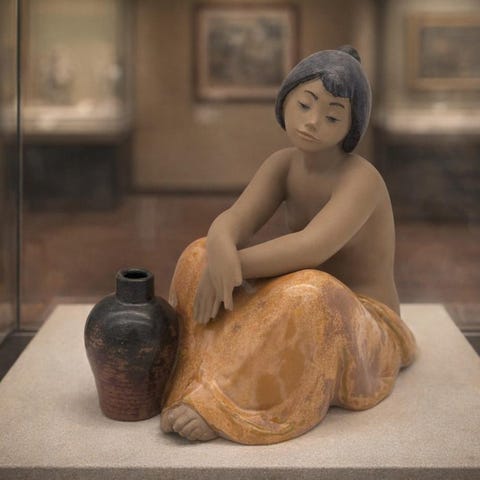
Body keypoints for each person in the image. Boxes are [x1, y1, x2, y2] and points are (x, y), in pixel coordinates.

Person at [160, 46, 416, 445]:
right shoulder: (282, 164)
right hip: (303, 293)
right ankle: (192, 377)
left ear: (351, 127)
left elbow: (311, 248)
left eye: (332, 117)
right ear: (286, 101)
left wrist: (232, 266)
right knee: (198, 255)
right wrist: (219, 249)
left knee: (311, 292)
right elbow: (233, 220)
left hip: (362, 323)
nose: (313, 122)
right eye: (305, 105)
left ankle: (228, 406)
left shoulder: (361, 180)